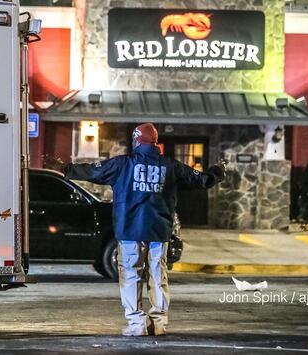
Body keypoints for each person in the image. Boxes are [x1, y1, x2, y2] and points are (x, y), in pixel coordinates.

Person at [63, 123, 225, 337]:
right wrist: (217, 171)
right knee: (158, 276)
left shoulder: (123, 165)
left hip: (130, 231)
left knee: (131, 275)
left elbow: (93, 171)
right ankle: (158, 323)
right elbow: (200, 180)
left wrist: (65, 169)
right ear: (155, 141)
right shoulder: (171, 166)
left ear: (137, 140)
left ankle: (136, 324)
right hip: (159, 231)